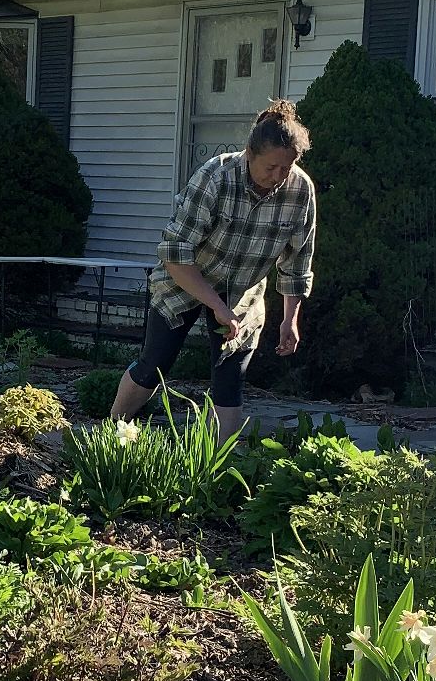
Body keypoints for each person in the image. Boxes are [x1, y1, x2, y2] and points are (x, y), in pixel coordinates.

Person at [109, 99, 316, 440]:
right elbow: (176, 254)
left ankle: (216, 463)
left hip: (243, 289)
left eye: (287, 167)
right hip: (184, 279)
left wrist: (290, 320)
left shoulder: (300, 190)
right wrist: (216, 306)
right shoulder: (216, 176)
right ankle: (113, 429)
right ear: (250, 153)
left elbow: (297, 263)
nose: (279, 177)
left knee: (230, 375)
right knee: (155, 363)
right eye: (271, 167)